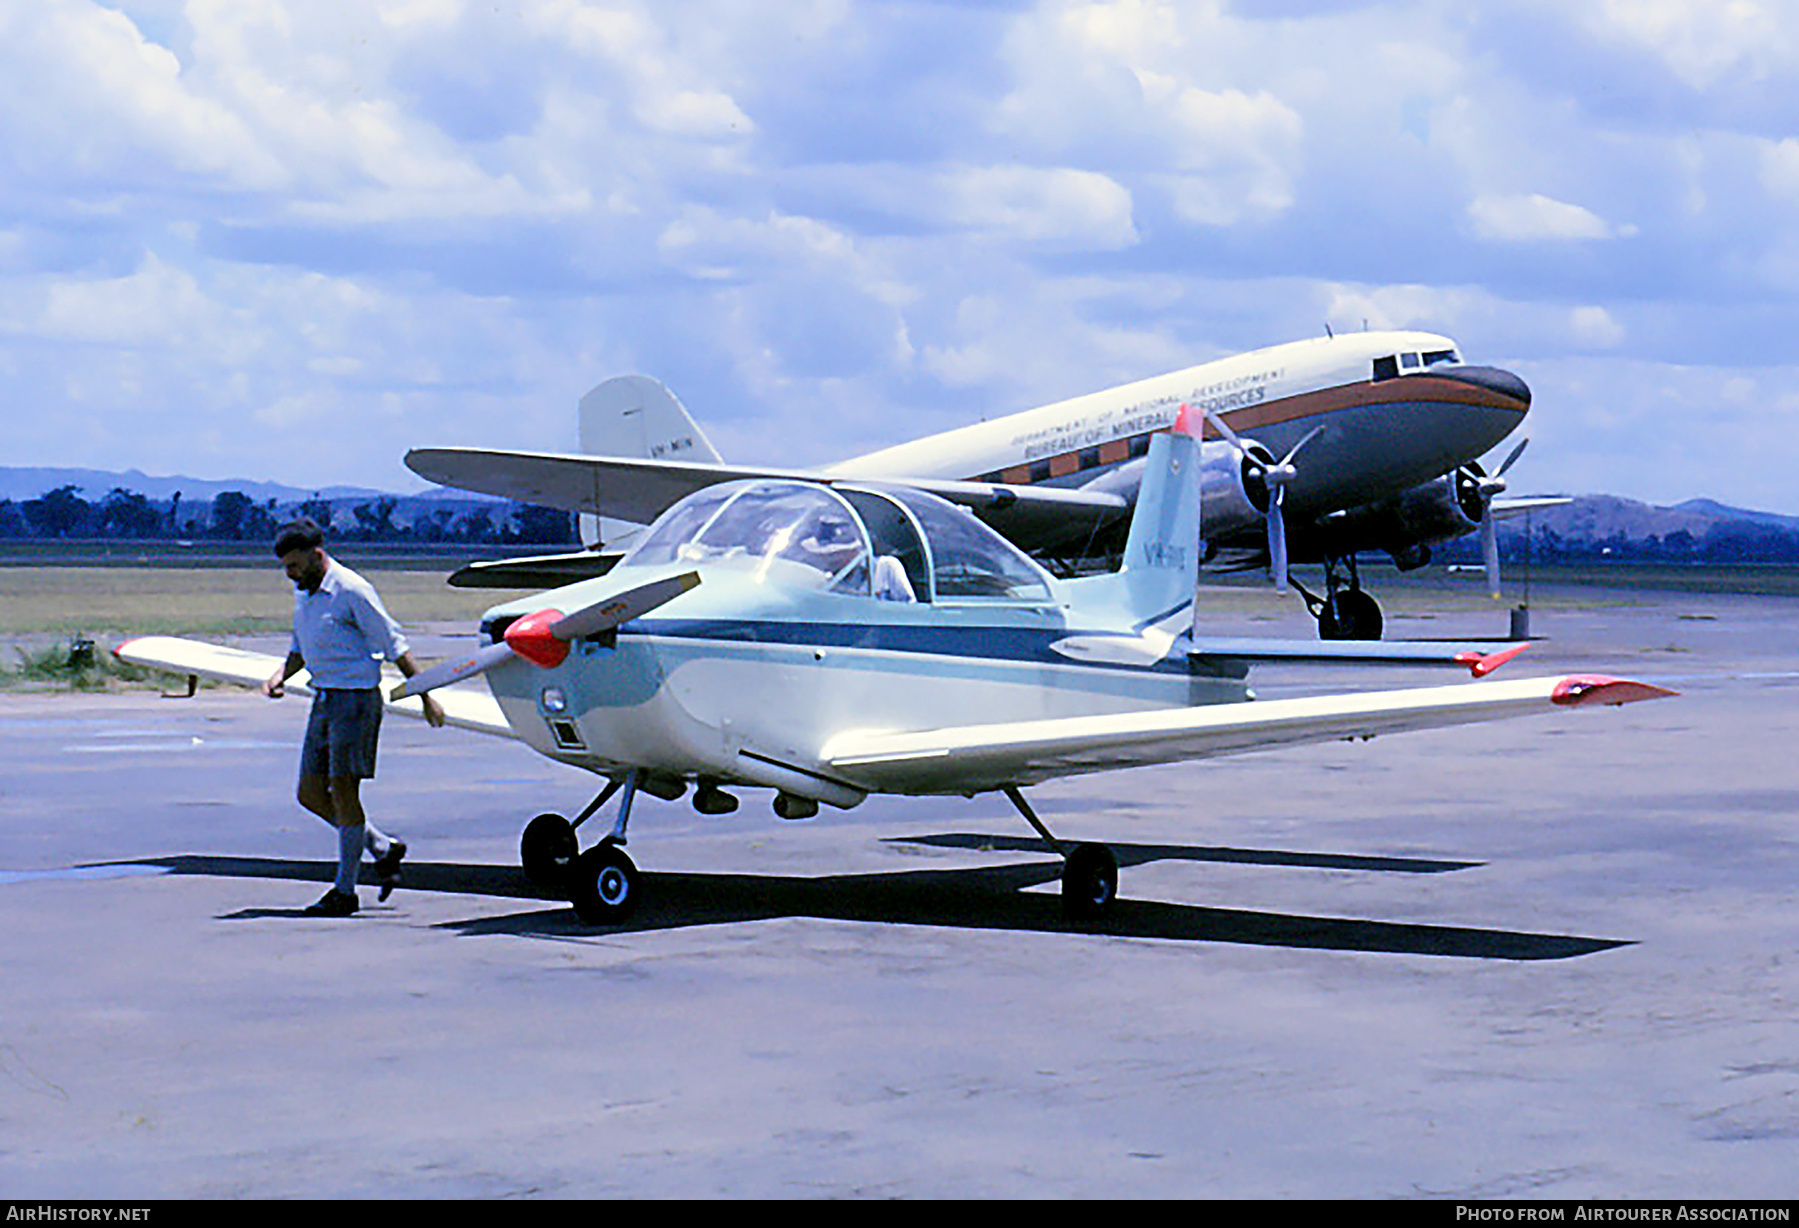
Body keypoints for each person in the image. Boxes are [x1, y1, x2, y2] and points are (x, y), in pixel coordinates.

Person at [261, 517, 444, 916]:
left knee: (344, 792)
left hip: (355, 702)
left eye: (294, 565)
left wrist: (425, 695)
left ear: (317, 555)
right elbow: (300, 646)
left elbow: (395, 643)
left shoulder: (352, 590)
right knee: (309, 793)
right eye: (286, 567)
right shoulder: (306, 592)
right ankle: (382, 846)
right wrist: (279, 676)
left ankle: (345, 891)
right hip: (323, 698)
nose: (289, 574)